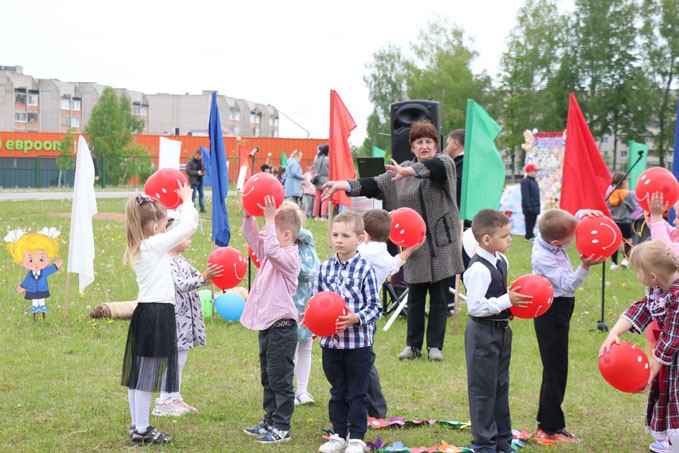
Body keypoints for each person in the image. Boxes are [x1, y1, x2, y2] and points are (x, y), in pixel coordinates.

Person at [322, 120, 464, 362]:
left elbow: (436, 169)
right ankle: (413, 345)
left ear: (436, 145)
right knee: (416, 297)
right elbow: (372, 184)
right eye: (419, 142)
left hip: (441, 244)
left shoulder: (445, 164)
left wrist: (409, 172)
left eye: (429, 141)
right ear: (412, 147)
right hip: (414, 246)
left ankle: (435, 347)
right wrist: (342, 185)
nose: (424, 146)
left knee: (439, 298)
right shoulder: (400, 172)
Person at [121, 184, 197, 446]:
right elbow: (188, 226)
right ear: (155, 230)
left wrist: (162, 209)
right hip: (157, 313)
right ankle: (142, 429)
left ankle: (137, 425)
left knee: (139, 374)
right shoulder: (154, 245)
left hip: (146, 312)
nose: (168, 231)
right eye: (164, 227)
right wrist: (187, 200)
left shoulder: (144, 244)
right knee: (147, 376)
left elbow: (174, 223)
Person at [531, 208, 605, 443]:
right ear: (555, 242)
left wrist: (582, 214)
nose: (574, 240)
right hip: (552, 311)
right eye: (569, 239)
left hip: (559, 307)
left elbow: (562, 219)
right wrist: (584, 266)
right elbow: (568, 284)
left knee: (554, 368)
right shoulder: (543, 258)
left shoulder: (547, 231)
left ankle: (545, 421)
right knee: (556, 371)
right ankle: (551, 428)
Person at [599, 240, 679, 452]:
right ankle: (673, 443)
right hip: (672, 358)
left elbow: (670, 340)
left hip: (675, 354)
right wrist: (614, 332)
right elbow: (642, 308)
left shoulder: (677, 296)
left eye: (637, 271)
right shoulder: (657, 288)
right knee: (670, 397)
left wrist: (649, 374)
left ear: (652, 276)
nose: (636, 275)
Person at [463, 209, 531, 453]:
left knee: (500, 386)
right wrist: (506, 300)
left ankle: (502, 441)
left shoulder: (502, 260)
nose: (510, 240)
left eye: (509, 234)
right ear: (486, 240)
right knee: (483, 390)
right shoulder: (478, 270)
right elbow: (476, 307)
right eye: (505, 236)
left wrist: (509, 300)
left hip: (502, 332)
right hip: (482, 333)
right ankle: (484, 444)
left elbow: (499, 293)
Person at [315, 210, 381, 453]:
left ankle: (356, 438)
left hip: (358, 345)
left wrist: (355, 318)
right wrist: (311, 320)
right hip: (331, 345)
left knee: (357, 392)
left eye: (345, 235)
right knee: (337, 391)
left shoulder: (366, 270)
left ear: (360, 238)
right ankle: (339, 434)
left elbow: (375, 307)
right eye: (335, 234)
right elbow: (317, 302)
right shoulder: (324, 269)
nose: (339, 240)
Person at [241, 198, 302, 445]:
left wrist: (268, 219)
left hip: (282, 328)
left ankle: (282, 427)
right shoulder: (270, 255)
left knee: (280, 378)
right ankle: (270, 418)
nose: (266, 236)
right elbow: (256, 241)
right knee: (268, 376)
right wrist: (250, 216)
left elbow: (271, 249)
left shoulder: (289, 258)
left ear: (286, 235)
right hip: (268, 327)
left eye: (272, 231)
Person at [151, 215, 223, 416]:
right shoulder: (166, 262)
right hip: (174, 318)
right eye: (186, 236)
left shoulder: (180, 260)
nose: (190, 240)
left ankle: (174, 396)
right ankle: (164, 401)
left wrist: (211, 276)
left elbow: (196, 277)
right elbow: (183, 285)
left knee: (180, 360)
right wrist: (204, 277)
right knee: (173, 360)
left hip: (184, 319)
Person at [359, 209, 423, 418]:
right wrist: (410, 250)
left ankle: (376, 410)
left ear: (364, 234)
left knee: (363, 362)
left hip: (359, 314)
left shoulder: (363, 251)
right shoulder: (383, 255)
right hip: (370, 314)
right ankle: (373, 408)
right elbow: (394, 266)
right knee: (364, 360)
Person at [6, 228, 63, 321]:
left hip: (42, 290)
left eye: (41, 259)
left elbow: (51, 269)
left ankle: (43, 315)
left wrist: (56, 266)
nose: (36, 263)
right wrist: (22, 287)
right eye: (30, 260)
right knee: (35, 304)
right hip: (32, 291)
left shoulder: (44, 271)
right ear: (21, 261)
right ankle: (35, 317)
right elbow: (26, 281)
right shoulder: (30, 274)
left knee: (42, 302)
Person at [292, 228, 320, 406]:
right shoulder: (285, 247)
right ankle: (289, 390)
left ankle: (302, 390)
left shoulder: (307, 243)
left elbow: (315, 268)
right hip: (291, 305)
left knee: (306, 347)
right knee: (292, 349)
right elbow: (299, 270)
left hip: (308, 303)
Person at [607, 171, 638, 270]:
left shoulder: (610, 194)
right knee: (628, 241)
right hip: (625, 222)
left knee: (615, 242)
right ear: (623, 182)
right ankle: (625, 259)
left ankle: (614, 263)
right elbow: (633, 208)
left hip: (613, 222)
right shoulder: (625, 194)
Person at [520, 163, 540, 241]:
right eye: (534, 171)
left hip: (535, 205)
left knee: (533, 221)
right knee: (529, 221)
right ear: (529, 172)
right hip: (529, 206)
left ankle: (531, 234)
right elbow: (525, 195)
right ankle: (528, 236)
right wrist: (528, 207)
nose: (536, 173)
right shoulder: (525, 182)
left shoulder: (534, 181)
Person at [313, 144, 330, 219]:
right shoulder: (327, 159)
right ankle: (323, 215)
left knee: (317, 198)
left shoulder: (316, 157)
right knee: (325, 198)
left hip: (317, 179)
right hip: (326, 179)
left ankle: (315, 215)